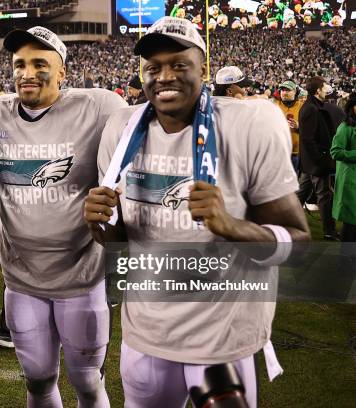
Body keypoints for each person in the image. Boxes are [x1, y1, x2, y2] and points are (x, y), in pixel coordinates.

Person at [84, 17, 310, 407]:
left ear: (203, 67)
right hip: (147, 333)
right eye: (153, 68)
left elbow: (300, 243)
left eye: (178, 64)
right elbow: (120, 249)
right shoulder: (120, 129)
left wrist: (233, 227)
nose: (164, 76)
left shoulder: (248, 123)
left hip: (221, 337)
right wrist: (100, 224)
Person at [0, 26, 127, 407]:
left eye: (40, 63)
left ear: (62, 73)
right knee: (38, 381)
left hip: (81, 278)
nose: (27, 73)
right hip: (22, 280)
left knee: (88, 383)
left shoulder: (99, 107)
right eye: (20, 64)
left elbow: (149, 123)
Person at [297, 76, 339, 240]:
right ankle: (329, 231)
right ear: (317, 90)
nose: (326, 89)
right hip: (315, 163)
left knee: (301, 194)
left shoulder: (313, 106)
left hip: (311, 163)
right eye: (324, 87)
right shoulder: (310, 108)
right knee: (325, 196)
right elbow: (308, 140)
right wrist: (321, 161)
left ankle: (286, 222)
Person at [331, 93, 356, 242]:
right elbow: (335, 152)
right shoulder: (345, 127)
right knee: (351, 221)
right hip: (350, 180)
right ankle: (345, 261)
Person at [274, 80, 303, 171]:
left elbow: (311, 128)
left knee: (293, 180)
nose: (284, 93)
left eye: (287, 90)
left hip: (295, 151)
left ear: (295, 91)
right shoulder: (274, 105)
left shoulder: (302, 106)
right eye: (282, 90)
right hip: (278, 151)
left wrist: (299, 126)